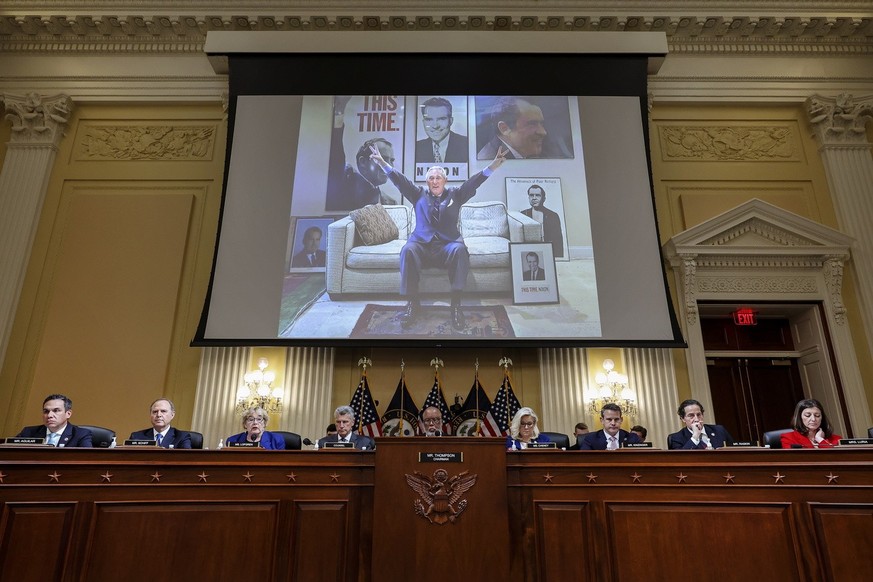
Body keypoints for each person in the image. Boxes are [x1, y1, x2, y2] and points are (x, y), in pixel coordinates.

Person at [369, 142, 508, 330]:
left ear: (445, 181)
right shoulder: (417, 194)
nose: (435, 181)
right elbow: (399, 180)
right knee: (407, 250)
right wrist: (382, 163)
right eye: (431, 178)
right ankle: (412, 303)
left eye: (438, 178)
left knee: (460, 249)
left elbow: (474, 181)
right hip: (421, 246)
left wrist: (493, 166)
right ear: (427, 182)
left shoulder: (456, 195)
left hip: (447, 246)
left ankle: (456, 305)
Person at [325, 96, 398, 211]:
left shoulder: (392, 203)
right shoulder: (345, 179)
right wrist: (339, 112)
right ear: (363, 162)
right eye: (381, 159)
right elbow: (336, 155)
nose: (388, 165)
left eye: (391, 161)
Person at [477, 97, 548, 160]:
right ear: (504, 128)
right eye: (532, 124)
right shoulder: (490, 160)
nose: (543, 132)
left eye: (542, 124)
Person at [16, 394, 93, 447]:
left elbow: (87, 460)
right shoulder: (28, 433)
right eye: (46, 411)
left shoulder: (81, 435)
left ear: (68, 414)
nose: (49, 415)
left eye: (56, 410)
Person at [414, 97, 468, 164]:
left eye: (441, 119)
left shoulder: (466, 144)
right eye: (429, 119)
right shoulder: (416, 147)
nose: (435, 126)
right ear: (423, 122)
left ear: (451, 121)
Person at [667, 399, 734, 450]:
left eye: (699, 415)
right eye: (691, 415)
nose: (696, 419)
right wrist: (695, 437)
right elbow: (681, 459)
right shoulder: (676, 438)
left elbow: (734, 450)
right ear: (683, 419)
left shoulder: (719, 430)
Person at [521, 184, 564, 258]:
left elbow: (558, 240)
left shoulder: (553, 216)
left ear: (544, 198)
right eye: (531, 195)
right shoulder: (523, 214)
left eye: (537, 195)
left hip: (547, 250)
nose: (534, 198)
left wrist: (558, 258)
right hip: (529, 251)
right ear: (528, 198)